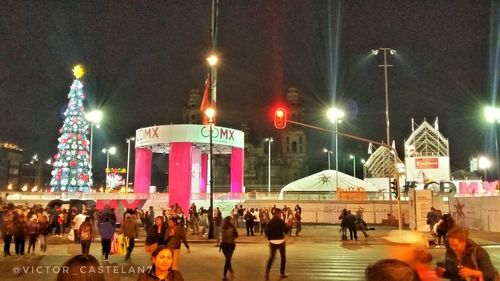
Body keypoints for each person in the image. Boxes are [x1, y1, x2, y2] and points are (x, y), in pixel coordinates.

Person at [265, 208, 288, 280]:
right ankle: (282, 273)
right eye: (280, 213)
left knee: (271, 257)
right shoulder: (281, 221)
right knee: (283, 258)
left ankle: (267, 272)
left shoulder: (270, 222)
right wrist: (289, 225)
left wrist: (269, 239)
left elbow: (266, 231)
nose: (281, 215)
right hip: (280, 241)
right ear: (278, 214)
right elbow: (286, 231)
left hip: (272, 242)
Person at [220, 216, 238, 280]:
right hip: (230, 245)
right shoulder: (232, 227)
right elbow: (236, 235)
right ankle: (224, 275)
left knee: (228, 259)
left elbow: (222, 237)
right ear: (230, 220)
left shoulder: (223, 227)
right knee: (228, 260)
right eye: (231, 220)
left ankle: (230, 270)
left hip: (224, 246)